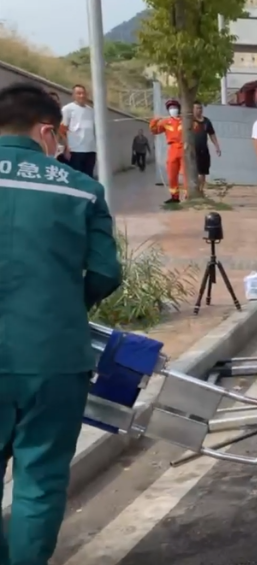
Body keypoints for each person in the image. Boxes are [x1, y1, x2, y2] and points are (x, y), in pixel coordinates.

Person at [0, 82, 121, 565]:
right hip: (53, 355)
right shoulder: (82, 190)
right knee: (40, 480)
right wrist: (64, 305)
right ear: (47, 133)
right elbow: (106, 272)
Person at [150, 99, 187, 204]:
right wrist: (154, 121)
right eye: (170, 108)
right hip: (173, 149)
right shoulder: (166, 122)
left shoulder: (185, 120)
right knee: (172, 174)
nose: (173, 109)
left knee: (186, 174)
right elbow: (154, 131)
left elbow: (195, 128)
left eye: (174, 107)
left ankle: (188, 195)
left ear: (179, 109)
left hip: (184, 148)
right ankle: (174, 197)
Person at [60, 84, 97, 177]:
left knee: (88, 177)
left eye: (84, 93)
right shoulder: (67, 109)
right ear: (73, 95)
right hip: (75, 150)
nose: (82, 96)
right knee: (76, 177)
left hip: (90, 150)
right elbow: (62, 129)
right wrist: (67, 147)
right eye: (78, 93)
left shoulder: (91, 110)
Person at [192, 103, 221, 194]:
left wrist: (217, 146)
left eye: (200, 108)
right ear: (192, 109)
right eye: (197, 108)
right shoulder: (190, 121)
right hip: (193, 150)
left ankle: (201, 190)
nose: (199, 110)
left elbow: (212, 134)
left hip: (203, 150)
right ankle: (193, 190)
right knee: (193, 171)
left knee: (203, 171)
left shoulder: (206, 121)